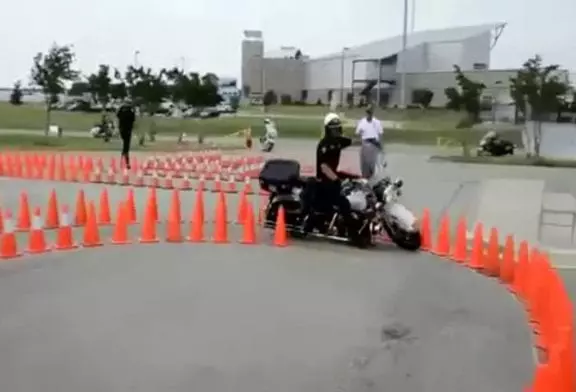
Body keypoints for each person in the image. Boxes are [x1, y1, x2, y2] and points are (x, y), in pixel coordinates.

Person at [303, 112, 361, 242]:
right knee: (344, 203)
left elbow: (353, 142)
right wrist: (337, 179)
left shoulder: (339, 141)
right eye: (333, 128)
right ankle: (353, 235)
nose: (336, 131)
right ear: (328, 129)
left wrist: (368, 141)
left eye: (337, 128)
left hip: (333, 180)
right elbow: (324, 167)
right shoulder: (324, 144)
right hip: (324, 181)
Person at [355, 107, 383, 178]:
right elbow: (357, 133)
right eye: (367, 113)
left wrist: (380, 145)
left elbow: (380, 134)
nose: (369, 114)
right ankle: (364, 177)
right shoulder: (361, 122)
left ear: (372, 113)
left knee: (372, 164)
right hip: (365, 143)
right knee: (364, 164)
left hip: (374, 145)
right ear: (366, 113)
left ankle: (372, 176)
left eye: (370, 113)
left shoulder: (377, 122)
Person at [116, 100, 136, 169]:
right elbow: (133, 119)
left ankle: (123, 161)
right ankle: (126, 162)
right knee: (126, 147)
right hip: (128, 131)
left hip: (122, 130)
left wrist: (121, 107)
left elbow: (117, 114)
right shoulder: (131, 112)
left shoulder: (122, 112)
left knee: (125, 147)